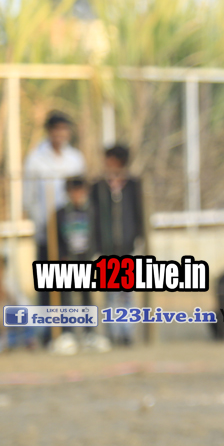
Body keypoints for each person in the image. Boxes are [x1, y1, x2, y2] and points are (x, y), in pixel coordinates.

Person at [90, 144, 145, 346]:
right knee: (110, 293)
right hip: (107, 247)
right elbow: (94, 216)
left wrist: (138, 237)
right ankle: (112, 332)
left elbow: (139, 213)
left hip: (127, 246)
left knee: (126, 293)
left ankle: (127, 332)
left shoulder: (133, 185)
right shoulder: (98, 187)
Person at [54, 177, 110, 353]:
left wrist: (96, 255)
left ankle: (89, 333)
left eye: (80, 191)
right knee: (66, 297)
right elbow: (55, 239)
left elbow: (98, 235)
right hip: (67, 260)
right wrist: (61, 256)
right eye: (73, 192)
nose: (77, 195)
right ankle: (68, 333)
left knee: (87, 296)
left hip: (86, 259)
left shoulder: (92, 212)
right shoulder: (60, 213)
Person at [23, 111, 86, 263]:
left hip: (72, 230)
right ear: (49, 130)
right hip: (46, 230)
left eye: (63, 129)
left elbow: (81, 193)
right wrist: (41, 222)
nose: (59, 133)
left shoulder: (76, 158)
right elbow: (28, 198)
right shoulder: (35, 159)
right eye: (56, 128)